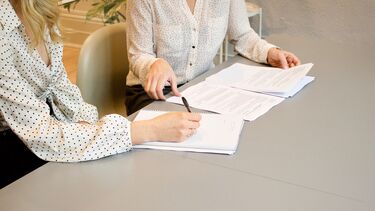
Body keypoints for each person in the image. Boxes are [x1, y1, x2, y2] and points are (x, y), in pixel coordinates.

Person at [0, 0, 201, 188]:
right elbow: (41, 134)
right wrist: (149, 131)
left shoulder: (41, 11)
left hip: (46, 130)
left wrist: (86, 124)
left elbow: (61, 89)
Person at [125, 0, 301, 115]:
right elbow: (139, 55)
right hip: (152, 93)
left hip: (202, 87)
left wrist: (270, 53)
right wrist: (154, 64)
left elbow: (242, 35)